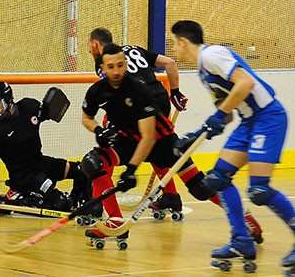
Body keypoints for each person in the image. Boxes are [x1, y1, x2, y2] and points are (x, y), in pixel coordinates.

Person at [80, 43, 263, 245]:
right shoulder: (96, 91)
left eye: (120, 65)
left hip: (160, 141)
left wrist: (131, 170)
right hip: (127, 139)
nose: (116, 71)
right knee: (94, 162)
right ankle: (115, 221)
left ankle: (245, 218)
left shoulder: (138, 90)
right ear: (102, 69)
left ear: (126, 65)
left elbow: (147, 137)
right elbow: (87, 118)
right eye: (111, 67)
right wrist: (99, 130)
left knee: (200, 189)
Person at [171, 20, 294, 271]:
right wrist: (197, 134)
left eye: (174, 44)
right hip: (249, 122)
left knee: (259, 191)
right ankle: (242, 240)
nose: (174, 50)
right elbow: (225, 113)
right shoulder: (204, 73)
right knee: (218, 179)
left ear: (183, 42)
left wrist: (217, 117)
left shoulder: (212, 55)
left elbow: (245, 83)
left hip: (268, 118)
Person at [87, 27, 189, 212]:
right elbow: (170, 62)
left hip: (137, 105)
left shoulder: (103, 63)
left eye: (89, 46)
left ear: (95, 45)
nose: (88, 50)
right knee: (157, 148)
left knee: (105, 150)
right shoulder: (133, 49)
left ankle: (97, 203)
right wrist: (175, 92)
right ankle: (171, 196)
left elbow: (116, 94)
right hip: (161, 101)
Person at [0, 82, 90, 215]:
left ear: (8, 101)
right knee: (61, 203)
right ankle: (20, 196)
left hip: (40, 163)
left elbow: (44, 113)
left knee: (83, 170)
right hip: (23, 177)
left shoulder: (28, 106)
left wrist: (51, 107)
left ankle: (80, 202)